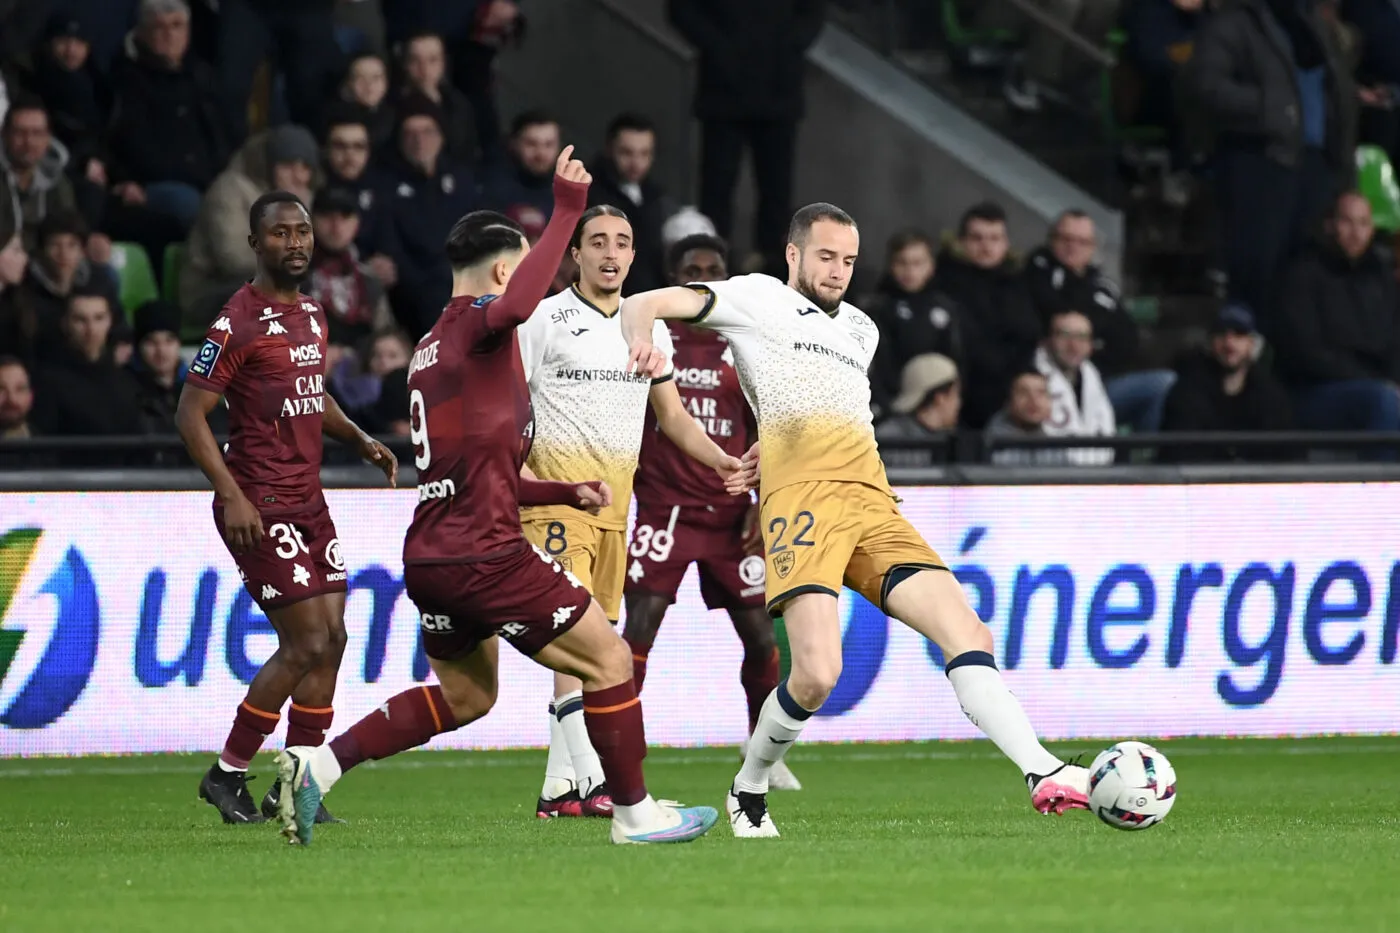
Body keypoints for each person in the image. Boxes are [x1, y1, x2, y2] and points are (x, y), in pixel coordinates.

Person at [272, 148, 720, 848]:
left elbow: (477, 465)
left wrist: (557, 487)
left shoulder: (428, 349)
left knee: (468, 696)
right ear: (509, 268)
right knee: (607, 657)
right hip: (485, 552)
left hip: (433, 553)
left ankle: (315, 767)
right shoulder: (484, 326)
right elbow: (513, 305)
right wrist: (566, 207)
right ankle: (635, 814)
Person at [619, 203, 1090, 838]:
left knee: (969, 632)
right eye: (825, 256)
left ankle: (1042, 771)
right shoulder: (754, 297)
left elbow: (823, 403)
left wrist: (773, 439)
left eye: (847, 260)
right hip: (803, 504)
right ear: (793, 255)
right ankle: (750, 786)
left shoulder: (863, 330)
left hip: (871, 499)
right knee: (816, 674)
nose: (838, 270)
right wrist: (643, 344)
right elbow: (639, 302)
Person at [175, 189, 398, 827]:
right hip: (259, 502)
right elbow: (191, 414)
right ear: (255, 243)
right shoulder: (235, 321)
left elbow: (311, 393)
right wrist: (231, 493)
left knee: (334, 640)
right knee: (303, 644)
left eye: (302, 231)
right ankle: (226, 774)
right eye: (280, 233)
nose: (295, 242)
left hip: (308, 499)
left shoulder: (311, 315)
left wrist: (357, 437)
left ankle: (297, 782)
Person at [518, 208, 745, 819]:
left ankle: (559, 788)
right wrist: (528, 483)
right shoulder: (543, 320)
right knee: (580, 640)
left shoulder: (649, 329)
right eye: (597, 242)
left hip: (616, 512)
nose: (610, 253)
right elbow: (507, 410)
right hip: (557, 508)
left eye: (621, 242)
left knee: (584, 646)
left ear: (634, 256)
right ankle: (597, 784)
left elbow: (671, 419)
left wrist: (723, 461)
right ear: (575, 256)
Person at [621, 232, 800, 791]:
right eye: (692, 269)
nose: (703, 277)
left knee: (763, 640)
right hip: (665, 510)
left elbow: (771, 424)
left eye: (713, 268)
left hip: (730, 513)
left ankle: (764, 754)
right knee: (637, 634)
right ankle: (618, 753)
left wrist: (762, 497)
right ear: (674, 277)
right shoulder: (650, 335)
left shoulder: (745, 341)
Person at [1161, 304, 1294, 461]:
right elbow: (1179, 453)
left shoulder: (1271, 395)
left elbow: (1285, 454)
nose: (1229, 343)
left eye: (1239, 334)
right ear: (1210, 342)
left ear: (1252, 343)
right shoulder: (1186, 391)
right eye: (1221, 334)